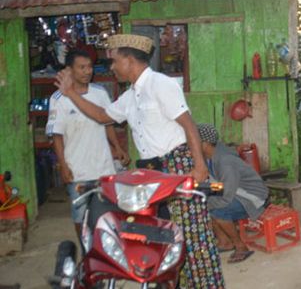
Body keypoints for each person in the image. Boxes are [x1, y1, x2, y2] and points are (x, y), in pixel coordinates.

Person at [55, 34, 223, 288]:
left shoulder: (160, 84)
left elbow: (188, 124)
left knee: (192, 237)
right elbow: (102, 116)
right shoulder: (130, 95)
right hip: (150, 172)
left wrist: (199, 166)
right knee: (159, 237)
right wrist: (69, 94)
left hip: (177, 165)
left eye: (115, 61)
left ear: (130, 60)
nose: (111, 67)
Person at [46, 49, 129, 238]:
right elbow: (56, 136)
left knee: (108, 214)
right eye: (81, 67)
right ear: (69, 70)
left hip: (104, 168)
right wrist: (63, 167)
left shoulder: (99, 93)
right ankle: (85, 251)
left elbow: (107, 122)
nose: (87, 71)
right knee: (80, 218)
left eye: (90, 67)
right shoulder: (58, 99)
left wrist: (117, 147)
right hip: (78, 171)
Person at [197, 123, 268, 264]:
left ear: (205, 144)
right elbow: (221, 186)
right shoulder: (210, 157)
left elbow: (226, 196)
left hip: (252, 197)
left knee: (217, 210)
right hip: (236, 191)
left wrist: (208, 202)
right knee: (205, 202)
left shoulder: (225, 161)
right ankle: (225, 243)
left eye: (194, 141)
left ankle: (241, 246)